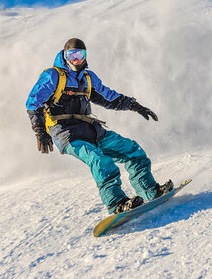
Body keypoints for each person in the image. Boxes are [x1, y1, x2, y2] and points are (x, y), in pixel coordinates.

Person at [26, 38, 173, 214]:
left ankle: (151, 190)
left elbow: (110, 98)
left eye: (80, 55)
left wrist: (135, 106)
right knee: (100, 160)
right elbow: (33, 102)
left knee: (133, 151)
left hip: (91, 130)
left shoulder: (89, 78)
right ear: (64, 56)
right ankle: (117, 203)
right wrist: (40, 131)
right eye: (71, 55)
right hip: (66, 134)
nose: (76, 60)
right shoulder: (53, 75)